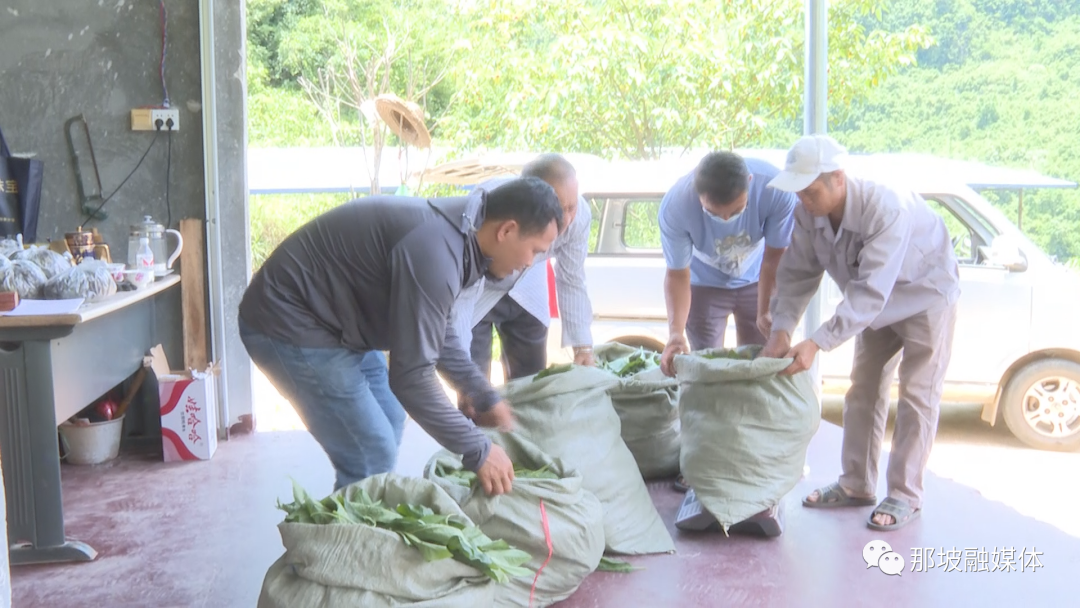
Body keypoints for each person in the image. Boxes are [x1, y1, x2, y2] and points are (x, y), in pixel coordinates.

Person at [238, 178, 563, 497]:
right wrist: (478, 449)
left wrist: (481, 394)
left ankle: (363, 514)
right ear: (506, 230)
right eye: (534, 250)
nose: (529, 263)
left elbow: (436, 331)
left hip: (334, 322)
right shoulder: (437, 250)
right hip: (287, 322)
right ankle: (348, 545)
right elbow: (411, 378)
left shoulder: (463, 234)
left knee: (390, 418)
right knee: (370, 451)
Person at [761, 134, 960, 531]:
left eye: (811, 190)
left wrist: (816, 342)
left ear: (838, 178)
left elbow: (871, 291)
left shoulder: (885, 207)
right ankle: (856, 484)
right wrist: (781, 329)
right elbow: (798, 273)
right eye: (798, 191)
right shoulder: (807, 212)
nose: (803, 198)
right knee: (862, 389)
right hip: (872, 306)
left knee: (918, 396)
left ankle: (905, 494)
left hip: (926, 295)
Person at [452, 153, 594, 387]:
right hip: (478, 290)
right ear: (532, 197)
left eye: (572, 207)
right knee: (472, 381)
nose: (567, 219)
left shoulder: (579, 219)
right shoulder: (487, 202)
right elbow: (464, 272)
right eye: (560, 208)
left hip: (527, 292)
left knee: (531, 384)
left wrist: (583, 346)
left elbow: (572, 278)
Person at [658, 151, 797, 377]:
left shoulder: (776, 188)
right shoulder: (676, 206)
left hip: (757, 279)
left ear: (749, 183)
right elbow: (677, 274)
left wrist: (765, 309)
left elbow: (775, 256)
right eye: (713, 213)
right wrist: (675, 333)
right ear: (696, 191)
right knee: (707, 365)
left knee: (762, 362)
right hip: (703, 285)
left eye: (736, 211)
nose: (725, 220)